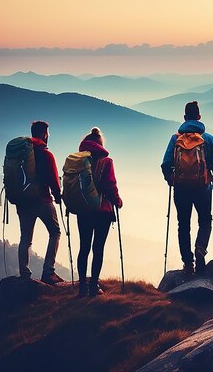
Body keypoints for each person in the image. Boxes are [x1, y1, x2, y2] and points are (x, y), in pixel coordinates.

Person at [161, 101, 213, 274]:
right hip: (203, 187)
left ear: (184, 118)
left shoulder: (175, 139)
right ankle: (200, 248)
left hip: (181, 188)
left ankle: (188, 263)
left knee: (183, 224)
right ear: (199, 117)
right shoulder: (208, 139)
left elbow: (166, 164)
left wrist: (170, 179)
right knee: (205, 221)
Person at [75, 127, 123, 297]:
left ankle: (81, 286)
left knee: (84, 247)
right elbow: (110, 185)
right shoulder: (106, 162)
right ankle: (93, 286)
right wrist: (117, 200)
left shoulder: (79, 160)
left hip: (83, 210)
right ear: (100, 144)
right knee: (98, 248)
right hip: (102, 211)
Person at [17, 121, 64, 285]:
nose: (48, 136)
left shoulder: (22, 153)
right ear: (44, 134)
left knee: (25, 238)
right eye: (48, 133)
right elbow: (53, 178)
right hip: (42, 200)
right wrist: (58, 196)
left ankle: (24, 273)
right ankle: (48, 272)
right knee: (55, 232)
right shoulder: (45, 154)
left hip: (22, 202)